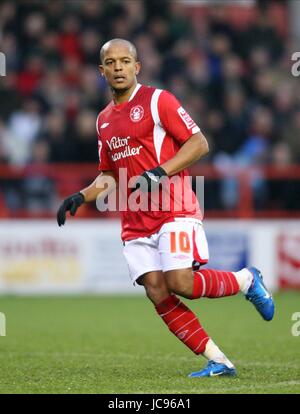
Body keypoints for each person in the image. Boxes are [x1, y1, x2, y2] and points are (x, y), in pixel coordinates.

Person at [57, 38, 274, 377]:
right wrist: (79, 196)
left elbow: (199, 143)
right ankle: (219, 360)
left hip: (174, 208)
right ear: (101, 71)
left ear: (137, 67)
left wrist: (159, 172)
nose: (118, 68)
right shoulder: (102, 121)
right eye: (110, 63)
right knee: (157, 291)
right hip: (134, 219)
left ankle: (247, 280)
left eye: (125, 61)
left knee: (181, 282)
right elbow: (109, 175)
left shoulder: (159, 101)